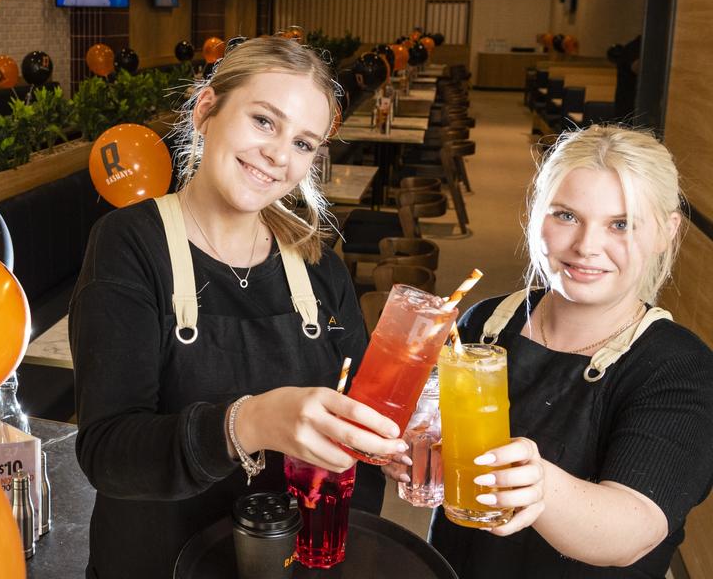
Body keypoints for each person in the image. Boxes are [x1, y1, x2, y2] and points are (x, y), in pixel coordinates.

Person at [70, 36, 407, 579]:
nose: (278, 155)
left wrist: (400, 445)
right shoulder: (129, 244)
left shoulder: (319, 263)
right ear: (207, 109)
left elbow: (362, 420)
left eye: (303, 143)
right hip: (156, 561)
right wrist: (246, 423)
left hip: (294, 564)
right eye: (264, 122)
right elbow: (108, 453)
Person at [385, 125, 713, 577]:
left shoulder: (679, 368)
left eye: (622, 224)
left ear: (666, 232)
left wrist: (540, 487)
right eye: (566, 216)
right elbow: (437, 445)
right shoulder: (482, 324)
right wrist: (416, 452)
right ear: (536, 214)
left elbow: (634, 528)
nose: (586, 246)